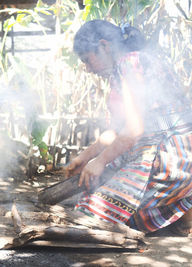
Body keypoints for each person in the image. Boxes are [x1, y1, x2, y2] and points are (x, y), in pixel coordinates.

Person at [65, 19, 192, 236]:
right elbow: (117, 129)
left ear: (105, 46)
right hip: (167, 151)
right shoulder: (127, 65)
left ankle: (184, 202)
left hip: (173, 154)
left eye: (87, 60)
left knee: (88, 215)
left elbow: (133, 130)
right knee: (96, 191)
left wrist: (100, 161)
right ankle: (181, 208)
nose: (87, 69)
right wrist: (85, 157)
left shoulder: (131, 63)